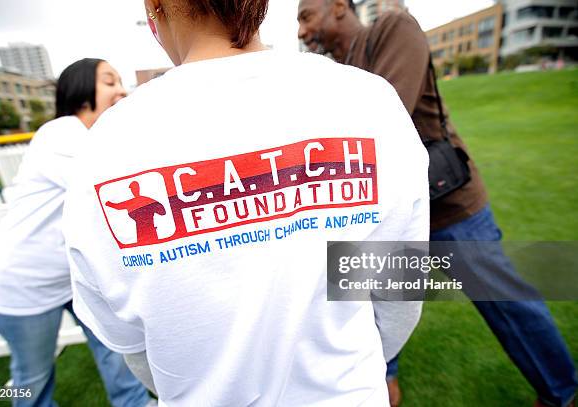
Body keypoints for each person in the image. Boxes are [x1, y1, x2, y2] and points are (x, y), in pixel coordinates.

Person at [61, 0, 429, 405]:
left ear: (154, 7)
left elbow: (127, 339)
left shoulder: (106, 144)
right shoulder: (365, 98)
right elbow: (398, 283)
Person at [296, 1, 577, 407]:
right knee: (376, 303)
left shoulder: (391, 28)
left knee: (506, 303)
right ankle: (382, 381)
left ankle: (561, 391)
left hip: (447, 204)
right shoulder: (338, 68)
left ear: (339, 7)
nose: (302, 32)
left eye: (306, 17)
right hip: (388, 217)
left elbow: (382, 122)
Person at [0, 58, 154, 407]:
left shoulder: (96, 137)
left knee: (115, 353)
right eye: (109, 81)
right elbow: (109, 188)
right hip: (20, 285)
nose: (121, 89)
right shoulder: (62, 132)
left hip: (70, 279)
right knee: (33, 381)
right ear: (81, 89)